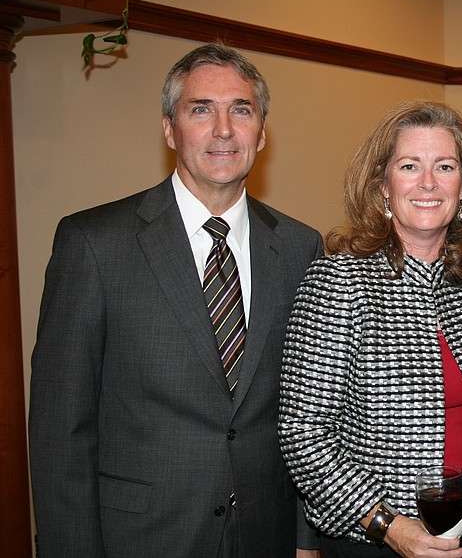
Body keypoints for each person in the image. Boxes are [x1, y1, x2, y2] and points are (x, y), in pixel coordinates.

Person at [28, 42, 323, 557]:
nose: (224, 129)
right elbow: (60, 433)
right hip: (142, 539)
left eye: (242, 109)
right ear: (169, 129)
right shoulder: (94, 244)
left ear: (262, 131)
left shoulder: (301, 247)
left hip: (265, 535)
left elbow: (309, 413)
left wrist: (305, 540)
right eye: (201, 109)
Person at [278, 100, 462, 558]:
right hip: (377, 534)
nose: (428, 183)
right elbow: (302, 432)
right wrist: (385, 523)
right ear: (383, 186)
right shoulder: (338, 281)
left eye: (444, 167)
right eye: (410, 166)